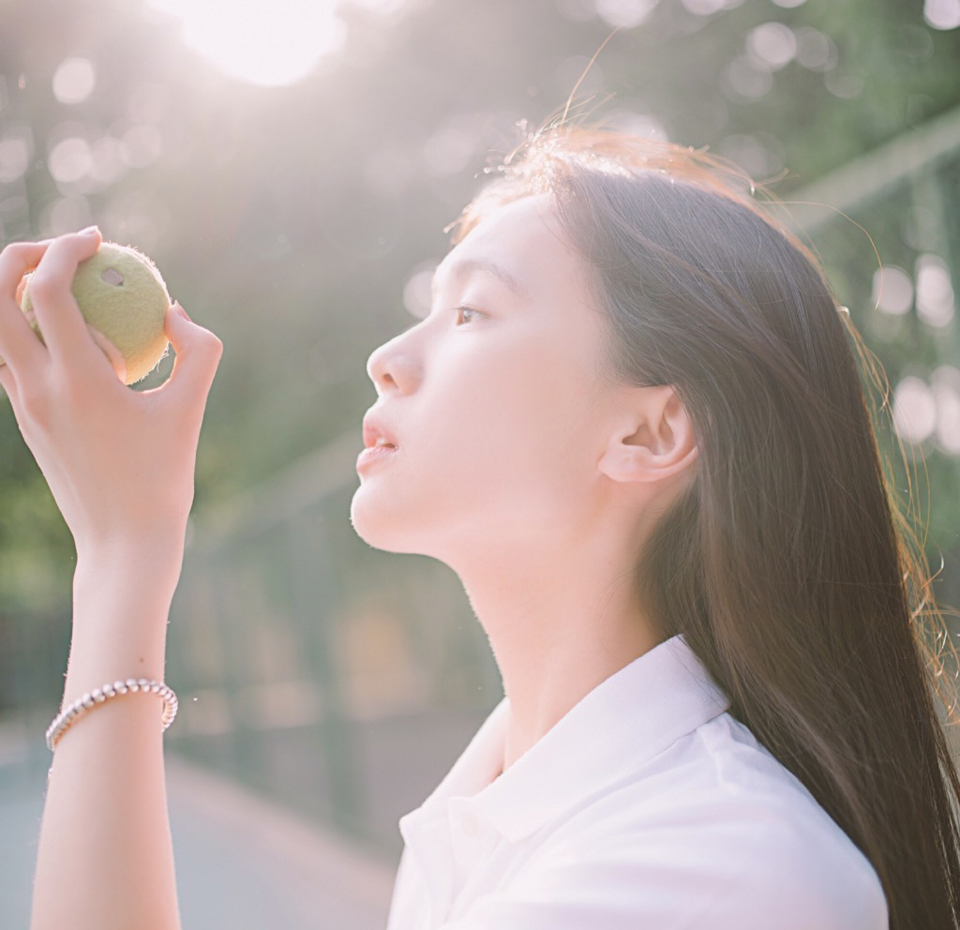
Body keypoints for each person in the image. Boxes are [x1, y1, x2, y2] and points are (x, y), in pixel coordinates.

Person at [3, 124, 958, 930]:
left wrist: (126, 560)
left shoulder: (712, 868)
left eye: (470, 311)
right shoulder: (502, 804)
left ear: (647, 429)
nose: (387, 359)